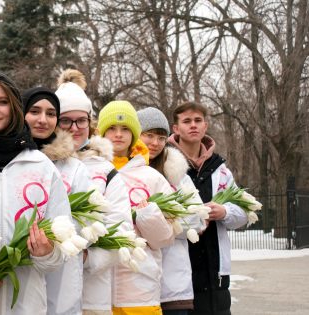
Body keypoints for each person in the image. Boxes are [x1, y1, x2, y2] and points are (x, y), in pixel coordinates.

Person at [0, 71, 71, 315]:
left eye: (2, 102)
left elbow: (62, 245)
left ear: (14, 108)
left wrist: (47, 253)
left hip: (26, 304)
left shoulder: (41, 166)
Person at [55, 69, 133, 315]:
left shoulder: (106, 172)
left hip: (91, 297)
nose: (75, 128)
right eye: (66, 120)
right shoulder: (40, 164)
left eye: (82, 120)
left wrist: (87, 258)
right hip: (44, 290)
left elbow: (123, 231)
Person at [167, 101, 248, 315]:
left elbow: (243, 213)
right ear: (176, 128)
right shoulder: (163, 165)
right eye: (186, 121)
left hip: (217, 275)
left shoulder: (221, 170)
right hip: (178, 276)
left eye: (198, 120)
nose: (193, 125)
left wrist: (225, 212)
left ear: (205, 126)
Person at [98, 100, 175, 315]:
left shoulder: (151, 177)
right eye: (111, 128)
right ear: (101, 132)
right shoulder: (89, 172)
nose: (118, 134)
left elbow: (165, 239)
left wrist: (147, 215)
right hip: (95, 288)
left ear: (134, 134)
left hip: (139, 289)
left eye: (125, 129)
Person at [23, 87, 92, 315]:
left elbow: (86, 225)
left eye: (51, 114)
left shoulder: (75, 168)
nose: (43, 120)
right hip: (20, 277)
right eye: (34, 111)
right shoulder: (7, 160)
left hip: (61, 279)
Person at [137, 107, 206, 315]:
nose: (155, 143)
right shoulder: (123, 172)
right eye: (148, 135)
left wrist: (160, 221)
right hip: (133, 283)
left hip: (172, 284)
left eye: (161, 137)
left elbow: (198, 219)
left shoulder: (177, 173)